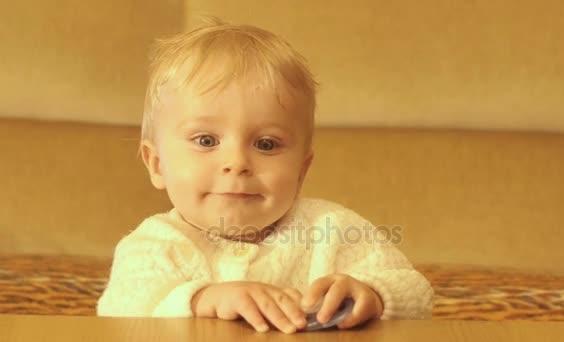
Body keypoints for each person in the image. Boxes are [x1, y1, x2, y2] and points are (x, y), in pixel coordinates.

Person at [97, 16, 434, 334]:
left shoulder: (332, 230)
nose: (237, 162)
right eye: (206, 140)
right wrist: (203, 299)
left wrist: (373, 294)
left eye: (266, 144)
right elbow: (120, 311)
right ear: (156, 164)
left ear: (302, 170)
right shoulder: (155, 245)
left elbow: (416, 294)